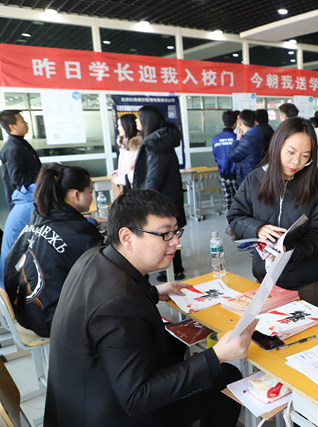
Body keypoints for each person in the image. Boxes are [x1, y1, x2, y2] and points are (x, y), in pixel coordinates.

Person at [44, 189, 255, 426]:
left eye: (176, 232)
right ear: (127, 237)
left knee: (182, 338)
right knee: (226, 376)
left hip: (81, 400)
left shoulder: (95, 257)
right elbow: (137, 397)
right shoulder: (118, 303)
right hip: (113, 415)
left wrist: (154, 292)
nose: (176, 242)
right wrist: (217, 356)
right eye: (165, 234)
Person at [227, 118, 318, 308]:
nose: (296, 162)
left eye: (305, 156)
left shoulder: (317, 184)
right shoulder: (256, 179)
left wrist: (289, 250)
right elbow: (235, 217)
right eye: (291, 152)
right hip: (265, 280)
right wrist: (258, 229)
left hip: (307, 282)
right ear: (277, 146)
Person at [4, 165, 103, 337]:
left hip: (26, 312)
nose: (92, 197)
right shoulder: (80, 234)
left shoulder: (38, 217)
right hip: (54, 321)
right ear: (76, 195)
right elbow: (106, 275)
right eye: (90, 191)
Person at [133, 105, 187, 281]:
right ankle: (173, 268)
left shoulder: (156, 145)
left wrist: (143, 199)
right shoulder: (158, 142)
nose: (136, 121)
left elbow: (153, 178)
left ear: (147, 120)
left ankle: (175, 270)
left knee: (168, 233)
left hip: (163, 200)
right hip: (166, 198)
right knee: (169, 232)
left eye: (139, 117)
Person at [0, 109, 41, 209]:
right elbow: (17, 178)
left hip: (31, 197)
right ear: (12, 126)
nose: (26, 123)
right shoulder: (12, 148)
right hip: (23, 201)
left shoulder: (21, 143)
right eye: (22, 121)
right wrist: (41, 180)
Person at [211, 110, 239, 214]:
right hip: (236, 176)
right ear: (235, 124)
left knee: (228, 199)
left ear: (223, 122)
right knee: (240, 200)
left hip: (223, 175)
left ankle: (229, 220)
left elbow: (216, 157)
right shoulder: (237, 138)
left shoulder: (215, 139)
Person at [229, 109, 263, 187]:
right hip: (254, 177)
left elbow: (232, 157)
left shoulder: (248, 140)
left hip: (248, 179)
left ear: (240, 122)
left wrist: (237, 140)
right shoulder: (257, 134)